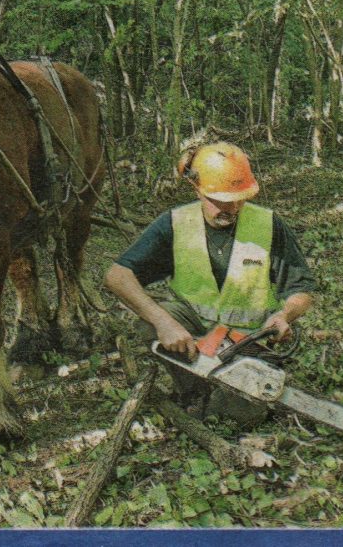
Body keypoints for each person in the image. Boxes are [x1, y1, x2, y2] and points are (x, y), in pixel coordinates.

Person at [104, 142, 315, 424]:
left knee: (238, 415)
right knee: (150, 322)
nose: (232, 207)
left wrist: (285, 314)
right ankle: (194, 389)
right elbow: (117, 275)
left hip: (245, 343)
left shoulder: (268, 224)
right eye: (221, 200)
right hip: (194, 334)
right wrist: (163, 322)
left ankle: (219, 398)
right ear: (197, 189)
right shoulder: (176, 223)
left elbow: (301, 289)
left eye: (239, 199)